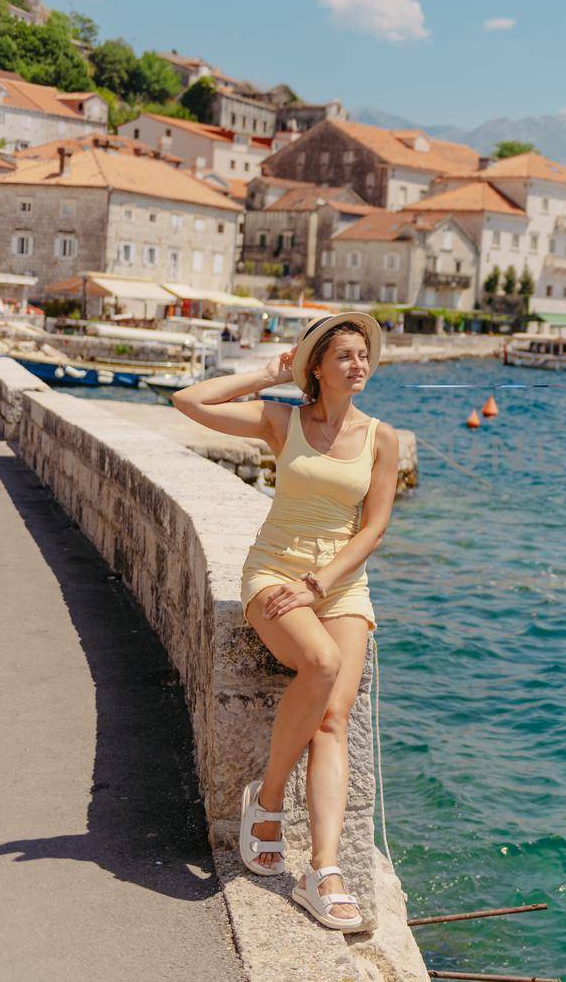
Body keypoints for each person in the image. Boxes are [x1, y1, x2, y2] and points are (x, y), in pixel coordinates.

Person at [171, 312, 400, 932]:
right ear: (317, 368)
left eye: (364, 356)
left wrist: (321, 583)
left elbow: (374, 527)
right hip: (274, 573)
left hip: (341, 584)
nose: (359, 365)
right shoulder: (283, 421)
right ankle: (267, 802)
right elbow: (187, 399)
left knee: (333, 716)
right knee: (320, 663)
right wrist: (269, 371)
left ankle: (322, 870)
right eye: (345, 356)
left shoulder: (383, 438)